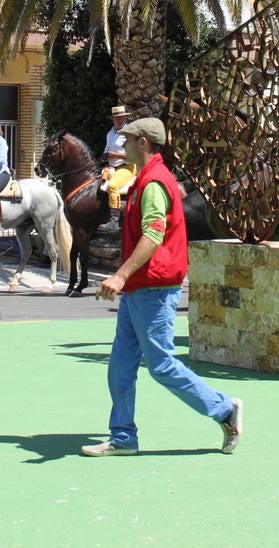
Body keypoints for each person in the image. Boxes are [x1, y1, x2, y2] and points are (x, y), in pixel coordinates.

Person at [82, 117, 242, 457]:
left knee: (162, 366)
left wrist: (120, 275)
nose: (121, 146)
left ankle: (225, 410)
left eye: (127, 141)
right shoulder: (145, 179)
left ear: (144, 143)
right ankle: (123, 437)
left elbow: (154, 235)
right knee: (120, 365)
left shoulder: (154, 183)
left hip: (152, 289)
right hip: (138, 290)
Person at [100, 105, 136, 211]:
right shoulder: (110, 134)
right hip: (112, 167)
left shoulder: (130, 133)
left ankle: (114, 222)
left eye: (122, 117)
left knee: (112, 186)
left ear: (125, 118)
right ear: (113, 119)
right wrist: (104, 157)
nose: (120, 120)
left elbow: (134, 156)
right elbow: (106, 152)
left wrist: (114, 155)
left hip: (127, 167)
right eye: (117, 117)